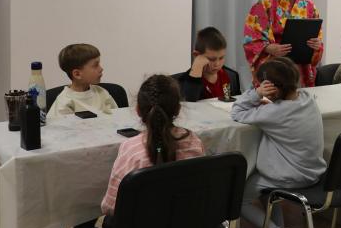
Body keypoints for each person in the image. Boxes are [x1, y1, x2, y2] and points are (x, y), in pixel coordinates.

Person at [231, 57, 326, 228]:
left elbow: (237, 112)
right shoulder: (308, 99)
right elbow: (281, 111)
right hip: (313, 172)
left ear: (273, 89)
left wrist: (256, 94)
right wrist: (271, 101)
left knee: (239, 198)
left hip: (290, 176)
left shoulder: (274, 113)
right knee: (268, 193)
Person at [101, 75, 205, 215]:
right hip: (186, 223)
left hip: (140, 227)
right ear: (178, 109)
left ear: (138, 110)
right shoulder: (194, 143)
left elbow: (110, 207)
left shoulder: (131, 149)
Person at [244, 0, 323, 87]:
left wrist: (316, 45)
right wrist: (269, 48)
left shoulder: (310, 6)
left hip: (300, 68)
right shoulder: (265, 3)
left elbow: (317, 39)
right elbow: (251, 38)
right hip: (274, 65)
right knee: (273, 98)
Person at [47, 44, 118, 119]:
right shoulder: (65, 102)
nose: (101, 69)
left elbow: (117, 117)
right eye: (95, 65)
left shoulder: (102, 93)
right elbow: (60, 125)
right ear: (77, 74)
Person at [173, 27, 241, 101]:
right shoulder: (181, 82)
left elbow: (236, 103)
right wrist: (197, 67)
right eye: (211, 59)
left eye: (221, 58)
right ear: (196, 55)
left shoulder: (231, 76)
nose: (217, 64)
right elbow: (190, 100)